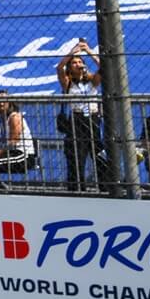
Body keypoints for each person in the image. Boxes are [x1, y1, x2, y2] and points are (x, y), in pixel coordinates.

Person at [57, 42, 112, 192]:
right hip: (77, 119)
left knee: (99, 154)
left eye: (80, 61)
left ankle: (105, 186)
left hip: (93, 119)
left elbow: (104, 67)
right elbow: (59, 68)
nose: (78, 64)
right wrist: (71, 53)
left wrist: (88, 51)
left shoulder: (92, 81)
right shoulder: (68, 83)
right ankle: (77, 188)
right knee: (77, 157)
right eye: (74, 62)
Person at [0, 97, 36, 189]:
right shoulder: (3, 119)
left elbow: (14, 141)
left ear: (10, 103)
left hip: (23, 155)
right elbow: (3, 141)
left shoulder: (14, 117)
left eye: (4, 100)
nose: (1, 103)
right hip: (10, 153)